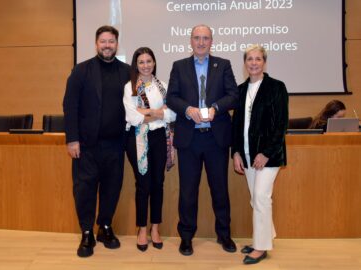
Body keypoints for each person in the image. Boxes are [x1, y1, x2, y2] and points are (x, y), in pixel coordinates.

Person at [166, 24, 239, 256]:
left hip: (216, 138)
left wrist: (216, 107)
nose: (201, 42)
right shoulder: (179, 66)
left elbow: (233, 95)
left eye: (205, 38)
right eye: (197, 38)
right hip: (190, 139)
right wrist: (188, 109)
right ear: (190, 41)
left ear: (211, 41)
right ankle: (186, 237)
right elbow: (172, 97)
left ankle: (224, 234)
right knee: (188, 192)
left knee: (220, 189)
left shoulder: (223, 65)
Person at [63, 25, 130, 258]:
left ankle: (105, 227)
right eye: (103, 41)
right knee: (84, 190)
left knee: (112, 188)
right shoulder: (81, 71)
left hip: (115, 144)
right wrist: (72, 139)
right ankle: (87, 232)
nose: (107, 45)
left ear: (117, 44)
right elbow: (69, 107)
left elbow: (137, 106)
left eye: (111, 41)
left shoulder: (127, 72)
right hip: (87, 146)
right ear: (96, 43)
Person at [231, 44, 288, 264]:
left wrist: (266, 153)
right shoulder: (241, 89)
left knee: (262, 198)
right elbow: (237, 125)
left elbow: (280, 125)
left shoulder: (276, 87)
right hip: (246, 154)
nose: (254, 63)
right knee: (257, 199)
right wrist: (236, 152)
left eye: (258, 59)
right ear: (245, 63)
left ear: (264, 62)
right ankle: (264, 236)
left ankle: (261, 247)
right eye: (249, 59)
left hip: (268, 156)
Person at [123, 47, 176, 252]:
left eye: (149, 61)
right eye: (141, 62)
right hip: (137, 139)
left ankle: (155, 227)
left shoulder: (163, 86)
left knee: (158, 183)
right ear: (136, 64)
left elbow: (172, 114)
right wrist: (158, 112)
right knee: (143, 185)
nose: (146, 65)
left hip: (159, 138)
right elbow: (132, 116)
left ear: (154, 63)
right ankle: (142, 229)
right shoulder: (130, 88)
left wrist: (147, 112)